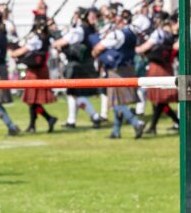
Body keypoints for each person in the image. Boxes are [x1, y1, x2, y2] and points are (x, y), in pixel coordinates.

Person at [91, 10, 145, 139]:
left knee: (116, 103)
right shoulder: (132, 33)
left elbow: (98, 48)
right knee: (119, 102)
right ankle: (116, 131)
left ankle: (136, 122)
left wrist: (96, 53)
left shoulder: (116, 34)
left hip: (117, 71)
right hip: (129, 68)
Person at [51, 7, 102, 129]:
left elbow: (62, 42)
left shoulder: (80, 30)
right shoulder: (89, 29)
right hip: (85, 64)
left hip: (77, 65)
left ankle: (94, 116)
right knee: (73, 94)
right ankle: (71, 120)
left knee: (75, 93)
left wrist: (56, 42)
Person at [11, 15, 58, 133]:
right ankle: (36, 124)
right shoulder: (48, 38)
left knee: (31, 99)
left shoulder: (36, 40)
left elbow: (19, 52)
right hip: (42, 69)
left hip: (35, 71)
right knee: (33, 100)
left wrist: (14, 51)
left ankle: (45, 120)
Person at [135, 10, 179, 134]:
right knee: (159, 100)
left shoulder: (160, 34)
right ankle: (155, 126)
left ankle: (158, 126)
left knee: (160, 99)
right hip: (164, 67)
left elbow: (143, 48)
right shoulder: (169, 34)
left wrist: (138, 48)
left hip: (159, 68)